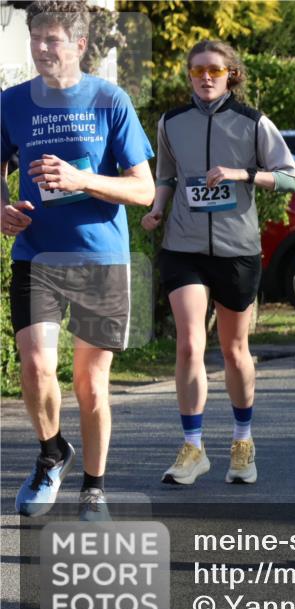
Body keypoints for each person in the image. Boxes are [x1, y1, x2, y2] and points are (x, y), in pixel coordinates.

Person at [3, 0, 154, 519]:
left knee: (90, 383)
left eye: (53, 39)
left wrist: (82, 179)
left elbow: (144, 190)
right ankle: (51, 453)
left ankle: (94, 487)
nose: (42, 47)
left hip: (100, 260)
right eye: (36, 37)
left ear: (80, 44)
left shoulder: (111, 101)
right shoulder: (11, 103)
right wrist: (2, 209)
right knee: (38, 366)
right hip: (36, 254)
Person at [142, 39, 295, 486]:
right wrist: (157, 208)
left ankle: (242, 441)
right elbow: (167, 176)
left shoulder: (253, 123)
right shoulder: (172, 122)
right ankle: (193, 448)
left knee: (234, 351)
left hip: (236, 250)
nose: (205, 77)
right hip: (184, 246)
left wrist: (242, 174)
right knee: (190, 344)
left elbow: (291, 177)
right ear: (189, 75)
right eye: (197, 71)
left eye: (214, 69)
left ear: (231, 73)